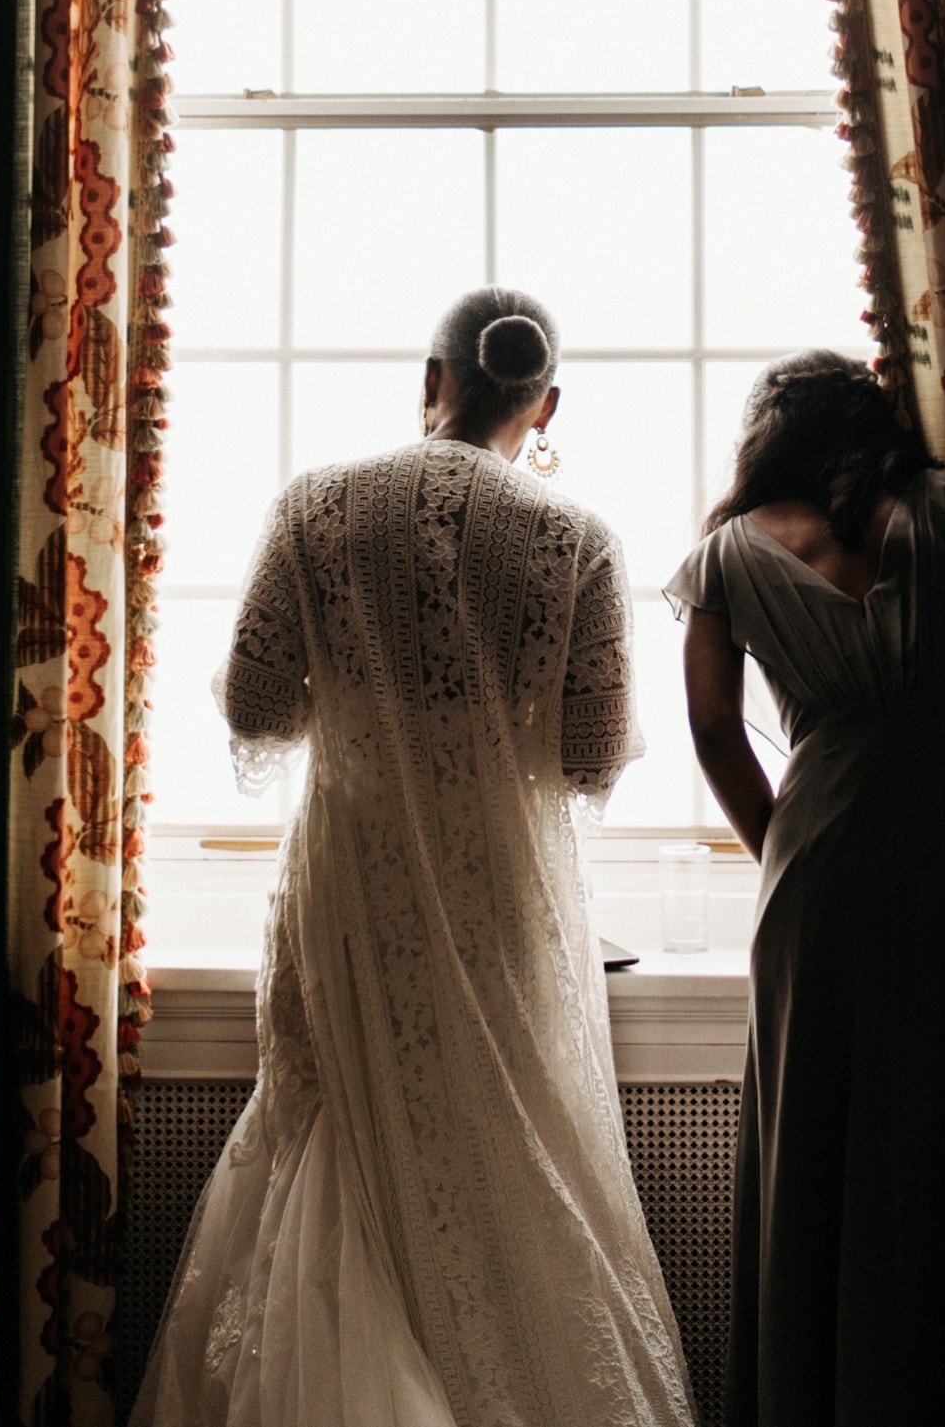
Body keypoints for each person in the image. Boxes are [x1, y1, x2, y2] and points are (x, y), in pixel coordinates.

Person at [133, 286, 696, 1427]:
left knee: (333, 1128)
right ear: (544, 404)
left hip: (349, 885)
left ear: (429, 380)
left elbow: (252, 705)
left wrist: (363, 694)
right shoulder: (576, 538)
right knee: (499, 1155)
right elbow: (588, 758)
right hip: (497, 899)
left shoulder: (318, 505)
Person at [667, 351, 945, 1427]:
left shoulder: (723, 554)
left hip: (816, 863)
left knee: (820, 1142)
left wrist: (782, 851)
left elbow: (712, 731)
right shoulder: (940, 504)